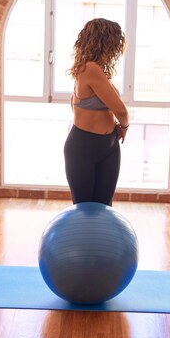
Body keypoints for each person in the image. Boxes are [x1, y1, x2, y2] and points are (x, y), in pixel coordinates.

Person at [64, 18, 130, 206]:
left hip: (108, 146)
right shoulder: (90, 69)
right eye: (114, 44)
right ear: (104, 42)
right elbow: (121, 110)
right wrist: (124, 126)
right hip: (83, 147)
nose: (115, 50)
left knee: (104, 207)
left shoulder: (96, 70)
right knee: (84, 208)